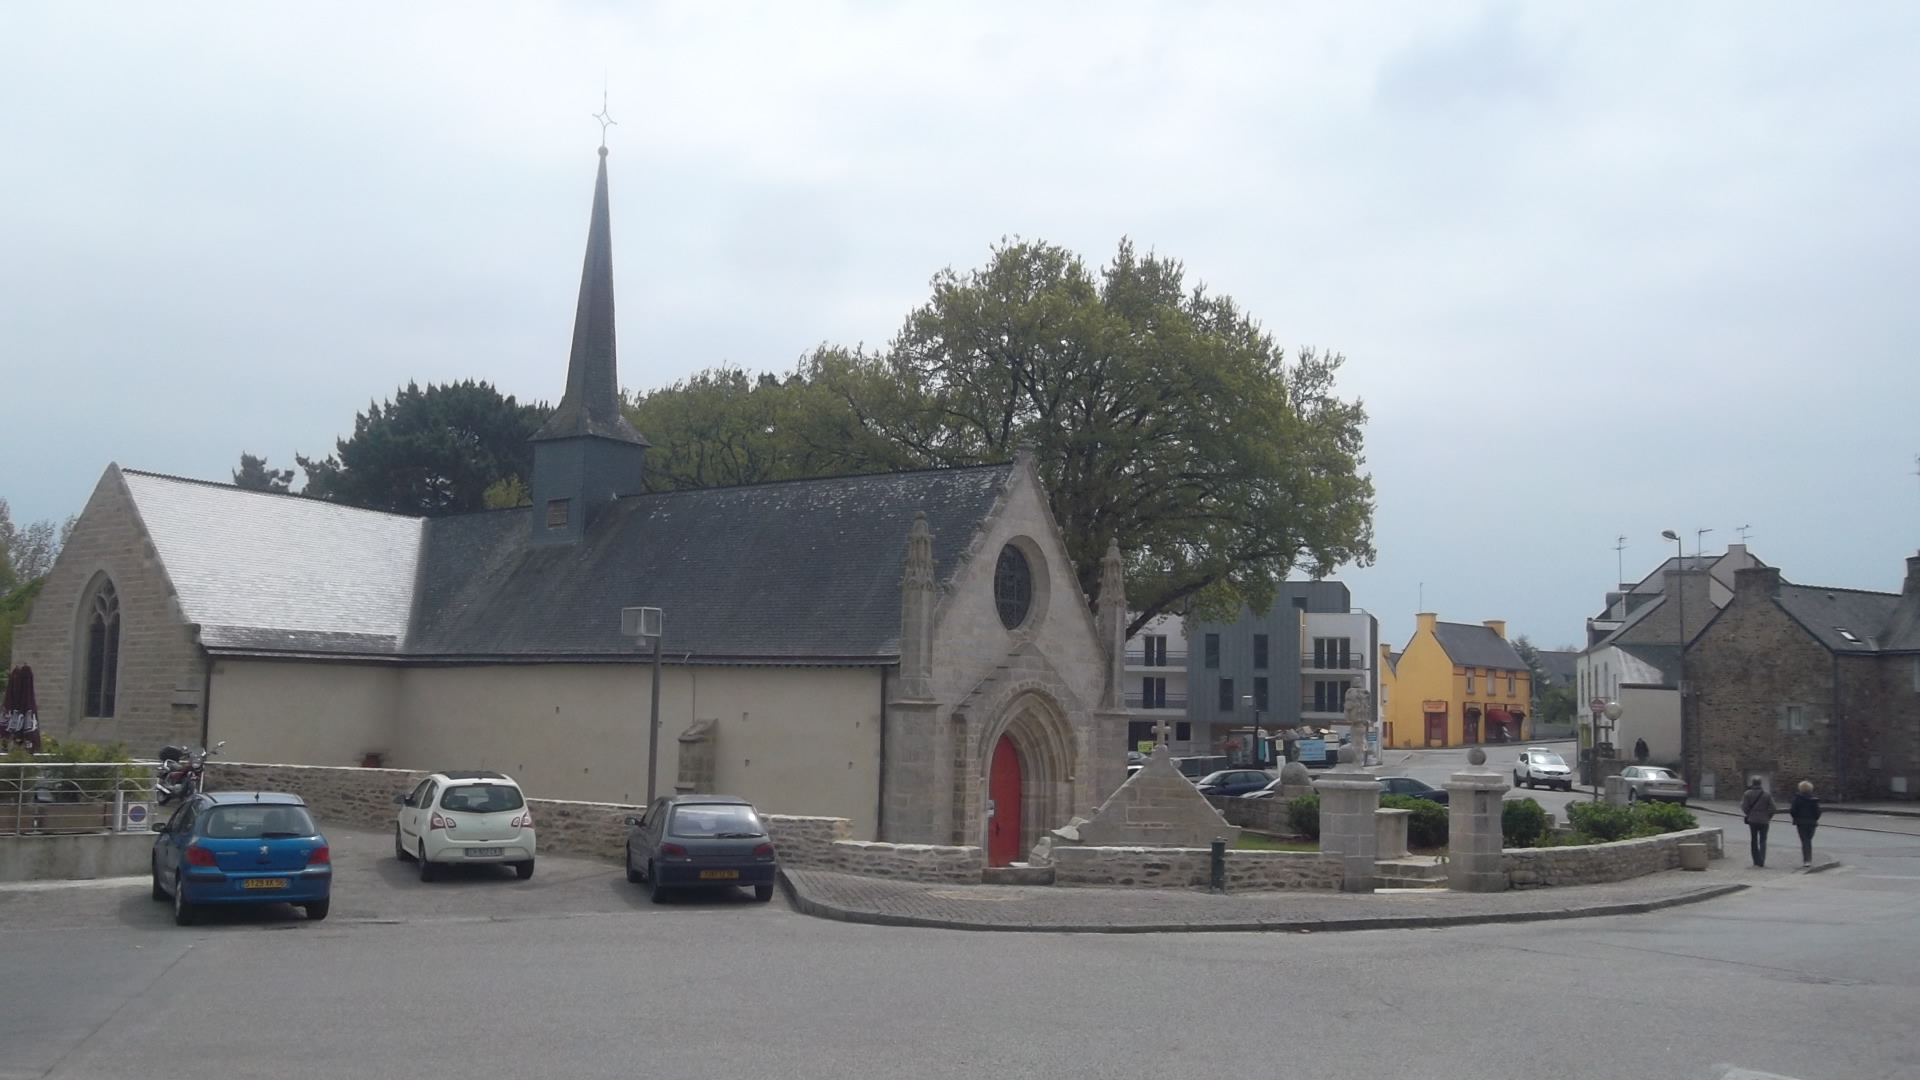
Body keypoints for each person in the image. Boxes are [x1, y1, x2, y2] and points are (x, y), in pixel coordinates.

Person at [1741, 778, 1776, 867]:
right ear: (1760, 783)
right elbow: (1773, 808)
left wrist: (1749, 813)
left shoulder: (1747, 794)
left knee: (1754, 840)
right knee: (1763, 840)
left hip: (1752, 820)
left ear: (1752, 783)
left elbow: (1744, 806)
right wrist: (1768, 816)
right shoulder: (1767, 794)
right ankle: (1762, 859)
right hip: (1764, 820)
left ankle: (1755, 860)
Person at [1789, 780, 1823, 868]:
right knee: (1808, 840)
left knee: (1805, 841)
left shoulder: (1796, 799)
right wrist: (1814, 819)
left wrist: (1796, 817)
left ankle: (1807, 860)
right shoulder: (1814, 800)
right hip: (1811, 823)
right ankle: (1808, 859)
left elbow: (1793, 811)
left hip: (1801, 823)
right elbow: (1818, 813)